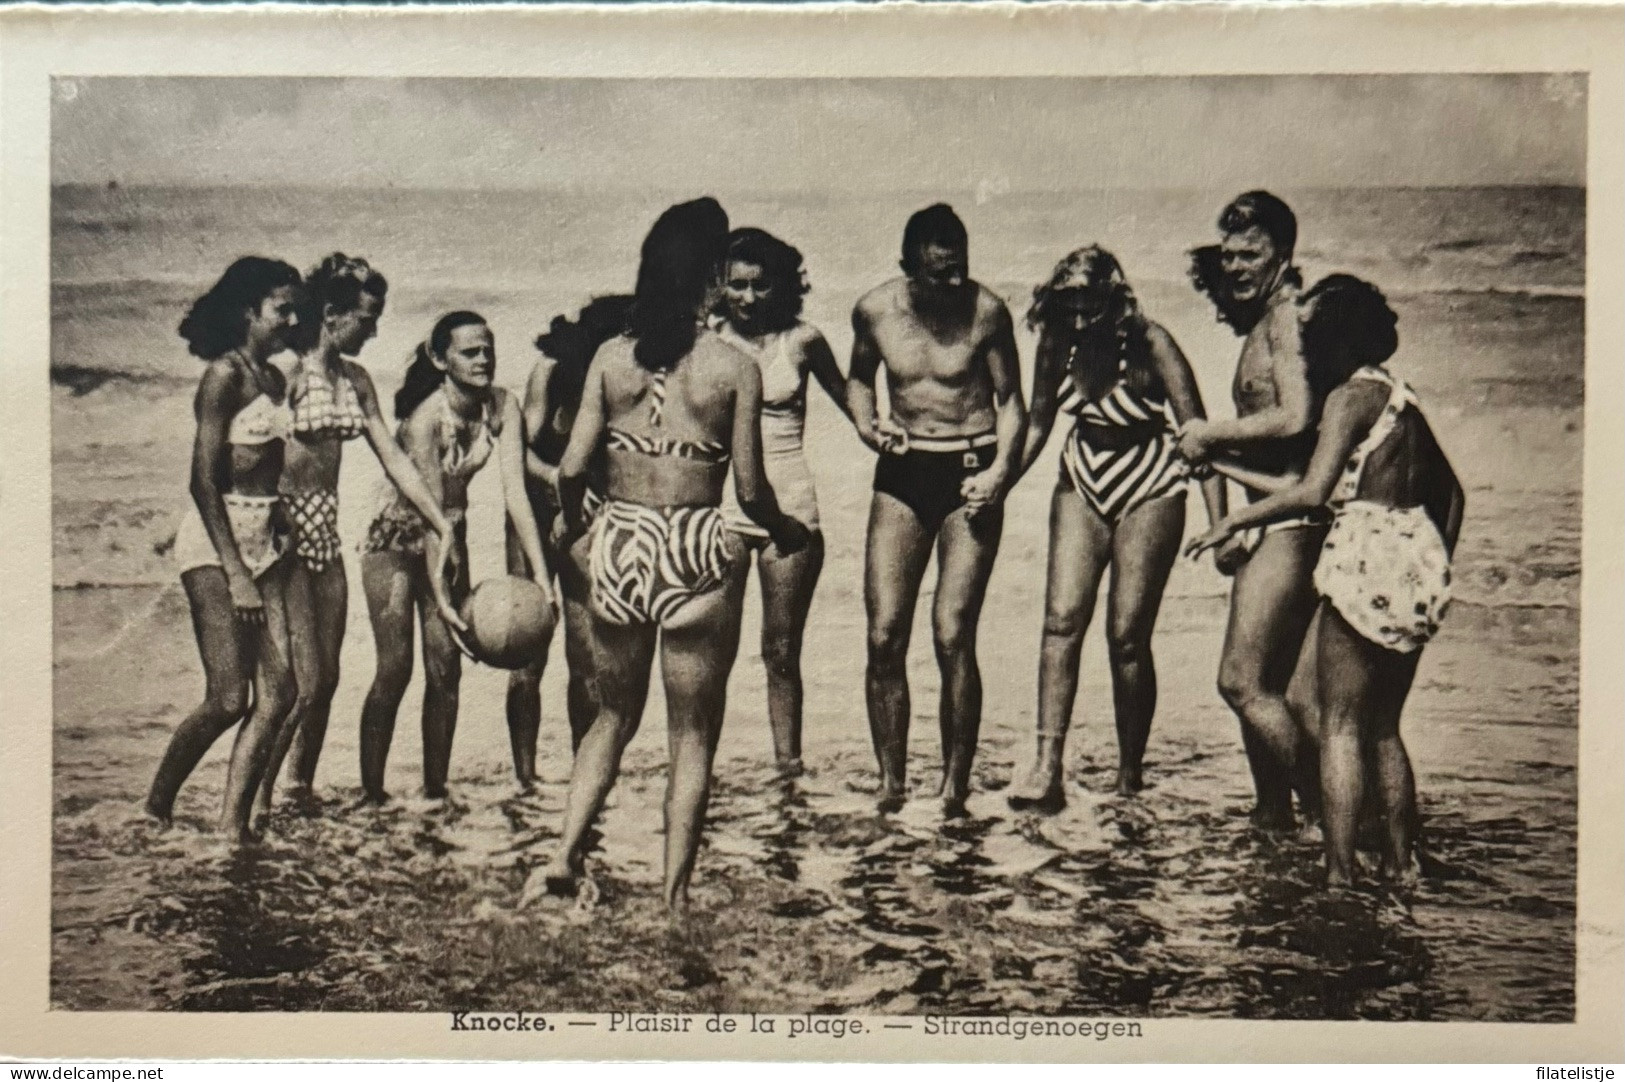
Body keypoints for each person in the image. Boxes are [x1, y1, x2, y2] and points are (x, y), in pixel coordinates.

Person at [530, 198, 809, 917]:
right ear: (713, 280)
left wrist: (574, 531)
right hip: (692, 545)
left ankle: (561, 858)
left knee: (611, 718)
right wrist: (787, 532)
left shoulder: (609, 358)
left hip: (620, 540)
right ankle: (673, 897)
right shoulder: (732, 367)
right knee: (691, 734)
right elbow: (749, 490)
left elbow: (567, 470)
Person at [1186, 275, 1463, 884]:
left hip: (1365, 551)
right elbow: (1453, 494)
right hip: (1417, 551)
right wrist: (1433, 558)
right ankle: (1399, 860)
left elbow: (1312, 491)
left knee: (1335, 722)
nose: (1303, 354)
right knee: (1385, 727)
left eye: (1311, 341)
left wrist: (1232, 517)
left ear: (1337, 343)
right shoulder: (1401, 397)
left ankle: (1339, 868)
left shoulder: (1344, 400)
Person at [1005, 247, 1227, 810]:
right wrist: (998, 482)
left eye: (1090, 306)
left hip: (1150, 482)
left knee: (1126, 637)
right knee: (1060, 622)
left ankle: (1129, 777)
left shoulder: (1153, 342)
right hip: (1081, 476)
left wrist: (1222, 525)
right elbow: (1038, 424)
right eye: (1069, 306)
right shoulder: (1057, 340)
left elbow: (1197, 439)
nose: (1079, 319)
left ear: (1115, 297)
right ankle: (1047, 767)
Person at [255, 254, 457, 815]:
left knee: (329, 676)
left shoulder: (356, 380)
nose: (374, 329)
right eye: (367, 318)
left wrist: (440, 521)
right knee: (300, 680)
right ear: (331, 313)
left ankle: (298, 786)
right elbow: (246, 449)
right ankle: (259, 797)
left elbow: (393, 458)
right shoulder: (288, 372)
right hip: (284, 533)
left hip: (326, 532)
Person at [847, 203, 1026, 815]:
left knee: (952, 633)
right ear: (908, 269)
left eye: (960, 270)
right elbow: (857, 378)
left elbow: (1013, 404)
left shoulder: (988, 313)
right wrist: (869, 428)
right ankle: (891, 784)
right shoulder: (874, 311)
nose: (954, 284)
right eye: (938, 274)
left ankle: (954, 787)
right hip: (902, 473)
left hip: (970, 473)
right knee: (883, 634)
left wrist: (1001, 474)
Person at [356, 311, 552, 804]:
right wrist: (442, 598)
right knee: (395, 668)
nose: (483, 359)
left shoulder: (503, 405)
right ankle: (372, 793)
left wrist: (543, 581)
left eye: (488, 349)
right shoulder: (426, 419)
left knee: (446, 667)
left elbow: (517, 497)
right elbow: (426, 519)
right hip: (395, 541)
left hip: (449, 536)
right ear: (440, 359)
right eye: (470, 352)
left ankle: (434, 790)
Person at [1176, 190, 1323, 831]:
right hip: (1271, 518)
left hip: (1292, 523)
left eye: (1251, 254)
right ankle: (1274, 817)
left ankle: (1330, 815)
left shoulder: (1286, 318)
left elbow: (1296, 417)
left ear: (1282, 255)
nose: (1235, 267)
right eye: (1229, 255)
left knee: (1240, 682)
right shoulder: (1262, 321)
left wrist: (1211, 435)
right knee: (1275, 685)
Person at [144, 257, 303, 841]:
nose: (292, 318)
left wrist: (281, 518)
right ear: (248, 311)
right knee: (229, 697)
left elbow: (267, 467)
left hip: (264, 544)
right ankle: (155, 806)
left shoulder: (276, 378)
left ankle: (231, 826)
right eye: (282, 307)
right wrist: (236, 572)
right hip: (216, 546)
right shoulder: (224, 376)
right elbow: (203, 482)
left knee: (282, 692)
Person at [712, 227, 852, 772]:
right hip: (721, 507)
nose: (747, 298)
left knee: (781, 652)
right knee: (713, 654)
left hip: (790, 506)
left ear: (782, 287)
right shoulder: (707, 339)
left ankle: (787, 770)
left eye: (760, 286)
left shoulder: (804, 340)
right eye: (737, 285)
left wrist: (892, 437)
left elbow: (853, 403)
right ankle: (706, 768)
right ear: (720, 287)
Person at [504, 294, 634, 782]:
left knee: (585, 652)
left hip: (585, 511)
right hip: (534, 507)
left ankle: (585, 770)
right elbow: (517, 451)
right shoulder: (552, 371)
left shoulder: (629, 378)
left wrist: (584, 510)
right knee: (527, 644)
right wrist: (561, 487)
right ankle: (526, 776)